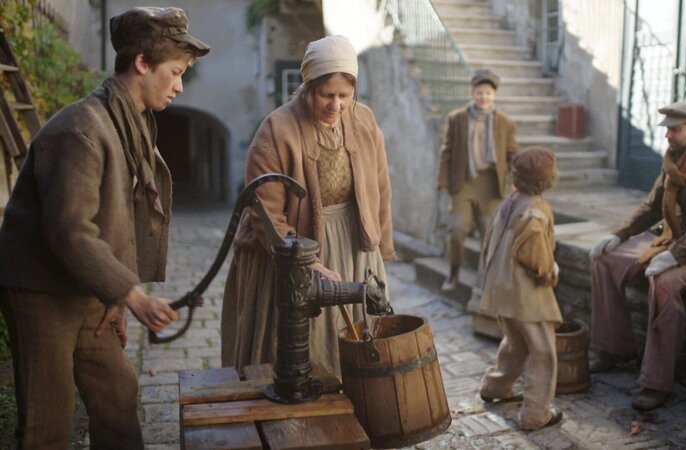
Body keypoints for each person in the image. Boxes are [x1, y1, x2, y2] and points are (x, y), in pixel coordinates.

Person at [0, 6, 209, 448]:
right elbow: (70, 231)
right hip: (41, 290)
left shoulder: (131, 123)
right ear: (141, 64)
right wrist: (131, 294)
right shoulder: (81, 129)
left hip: (89, 290)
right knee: (47, 424)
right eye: (174, 72)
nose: (179, 85)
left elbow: (120, 216)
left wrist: (114, 292)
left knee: (117, 395)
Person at [221, 35, 395, 377]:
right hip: (296, 247)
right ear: (308, 87)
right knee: (303, 347)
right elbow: (265, 211)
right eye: (326, 95)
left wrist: (380, 242)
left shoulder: (364, 121)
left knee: (360, 340)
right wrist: (306, 262)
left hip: (355, 244)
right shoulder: (276, 129)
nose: (336, 105)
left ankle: (356, 397)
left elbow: (380, 185)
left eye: (345, 96)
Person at [588, 100, 686, 411]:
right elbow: (651, 207)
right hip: (671, 238)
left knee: (662, 283)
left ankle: (655, 382)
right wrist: (618, 234)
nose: (668, 136)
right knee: (604, 261)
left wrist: (676, 256)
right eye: (667, 129)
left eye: (675, 129)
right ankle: (614, 349)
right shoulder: (674, 161)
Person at [478, 146, 562, 430]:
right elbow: (536, 255)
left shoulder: (508, 202)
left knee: (516, 343)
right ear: (548, 179)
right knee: (543, 352)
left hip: (500, 289)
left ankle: (495, 387)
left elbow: (489, 242)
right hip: (526, 294)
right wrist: (549, 270)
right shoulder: (537, 211)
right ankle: (535, 414)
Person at [438, 68, 517, 292]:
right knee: (456, 231)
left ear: (494, 95)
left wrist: (515, 179)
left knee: (489, 235)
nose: (484, 97)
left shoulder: (505, 123)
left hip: (490, 185)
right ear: (472, 93)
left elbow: (512, 154)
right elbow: (447, 152)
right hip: (463, 182)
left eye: (488, 93)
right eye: (479, 92)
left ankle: (486, 280)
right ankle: (453, 272)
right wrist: (443, 182)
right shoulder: (457, 118)